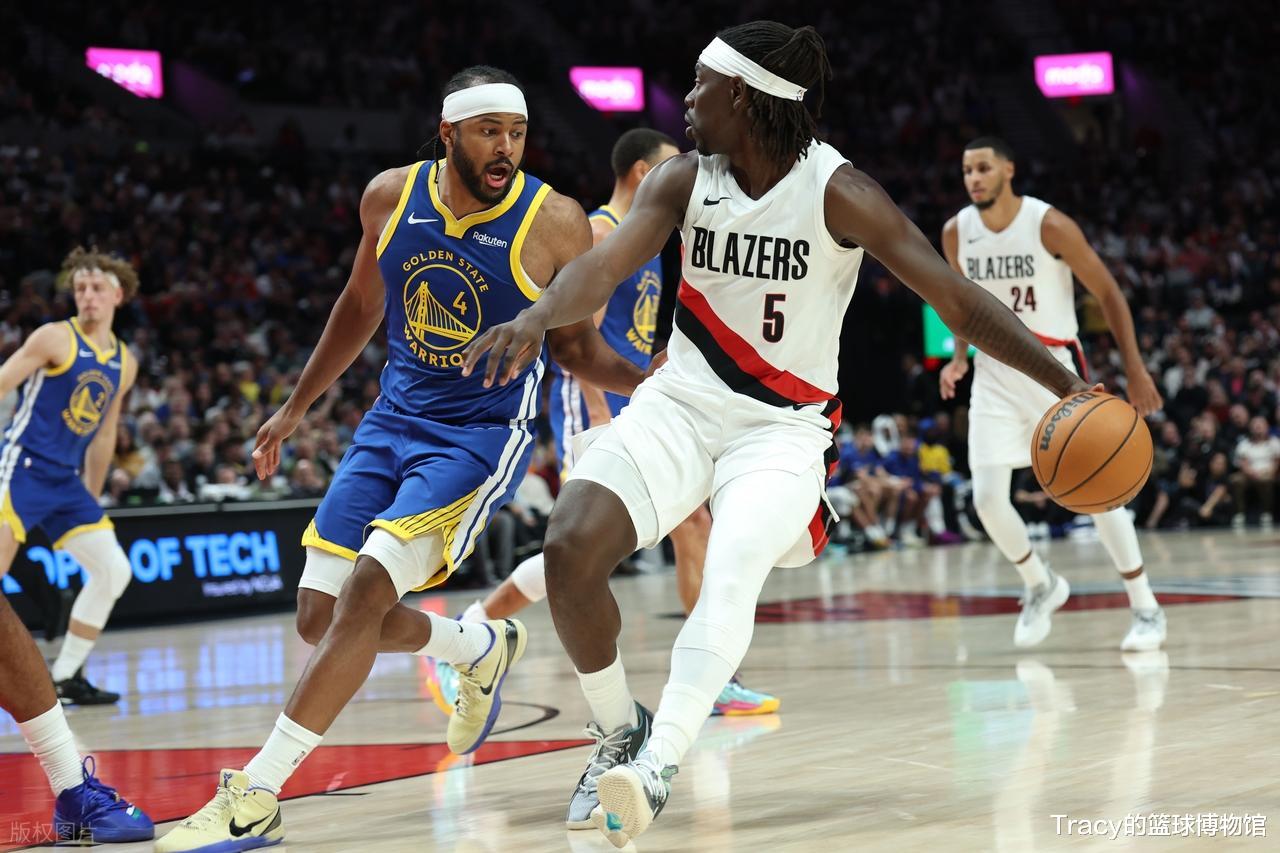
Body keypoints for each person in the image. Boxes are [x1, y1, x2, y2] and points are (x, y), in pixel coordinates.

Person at [463, 22, 1094, 847]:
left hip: (781, 427)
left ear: (745, 97)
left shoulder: (840, 191)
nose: (686, 101)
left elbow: (958, 301)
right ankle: (619, 730)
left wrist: (1066, 383)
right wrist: (538, 315)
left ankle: (656, 765)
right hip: (682, 401)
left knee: (729, 569)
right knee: (569, 546)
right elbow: (603, 267)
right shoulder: (684, 178)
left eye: (700, 86)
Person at [156, 66, 645, 853]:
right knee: (317, 615)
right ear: (448, 132)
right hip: (390, 422)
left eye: (517, 133)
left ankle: (257, 792)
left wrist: (654, 383)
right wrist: (297, 405)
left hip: (478, 435)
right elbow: (360, 305)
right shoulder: (389, 196)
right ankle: (477, 647)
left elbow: (579, 348)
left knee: (365, 592)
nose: (506, 148)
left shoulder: (554, 220)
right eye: (489, 132)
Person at [432, 130, 780, 758]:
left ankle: (713, 678)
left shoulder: (651, 235)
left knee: (686, 526)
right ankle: (473, 629)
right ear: (643, 172)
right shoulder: (599, 230)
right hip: (592, 401)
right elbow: (576, 341)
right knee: (586, 547)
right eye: (674, 167)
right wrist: (600, 414)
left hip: (637, 397)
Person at [939, 136, 1167, 651]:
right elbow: (960, 304)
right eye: (967, 170)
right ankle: (1040, 585)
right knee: (987, 501)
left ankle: (1146, 607)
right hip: (993, 373)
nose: (974, 178)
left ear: (1009, 170)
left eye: (983, 168)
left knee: (1100, 488)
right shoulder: (956, 232)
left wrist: (1135, 369)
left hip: (1053, 370)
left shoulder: (1048, 224)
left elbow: (1107, 291)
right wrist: (958, 358)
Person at [0, 248, 141, 705]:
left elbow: (104, 434)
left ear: (118, 295)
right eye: (80, 288)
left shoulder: (124, 361)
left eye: (97, 288)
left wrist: (92, 496)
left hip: (65, 482)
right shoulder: (54, 338)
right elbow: (3, 382)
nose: (87, 296)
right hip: (22, 468)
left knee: (113, 570)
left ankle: (64, 677)